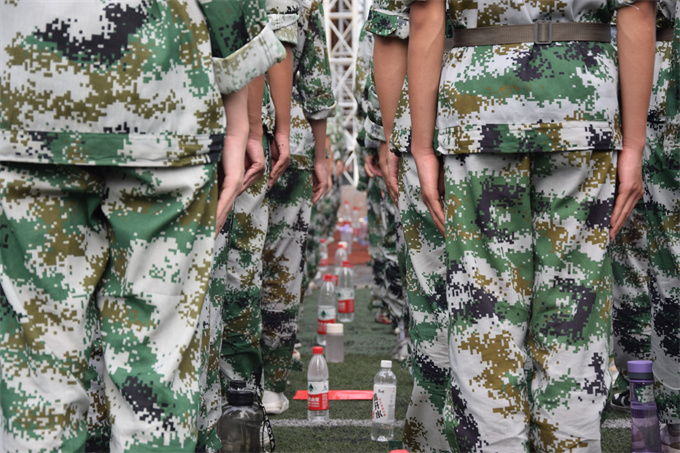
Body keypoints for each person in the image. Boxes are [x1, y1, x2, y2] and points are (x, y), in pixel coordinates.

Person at [0, 1, 283, 450]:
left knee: (38, 377)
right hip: (162, 95)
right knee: (156, 376)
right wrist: (237, 118)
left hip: (27, 97)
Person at [408, 0, 655, 451]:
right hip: (580, 105)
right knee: (574, 314)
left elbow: (426, 11)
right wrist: (635, 145)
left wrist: (422, 145)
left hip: (479, 108)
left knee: (485, 313)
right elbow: (637, 10)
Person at [260, 0, 336, 414]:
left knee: (228, 263)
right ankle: (270, 384)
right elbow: (315, 78)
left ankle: (230, 382)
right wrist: (321, 155)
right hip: (292, 144)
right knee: (282, 269)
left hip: (231, 131)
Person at [609, 1, 675, 414]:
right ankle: (648, 389)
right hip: (649, 58)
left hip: (647, 63)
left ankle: (644, 390)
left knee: (635, 247)